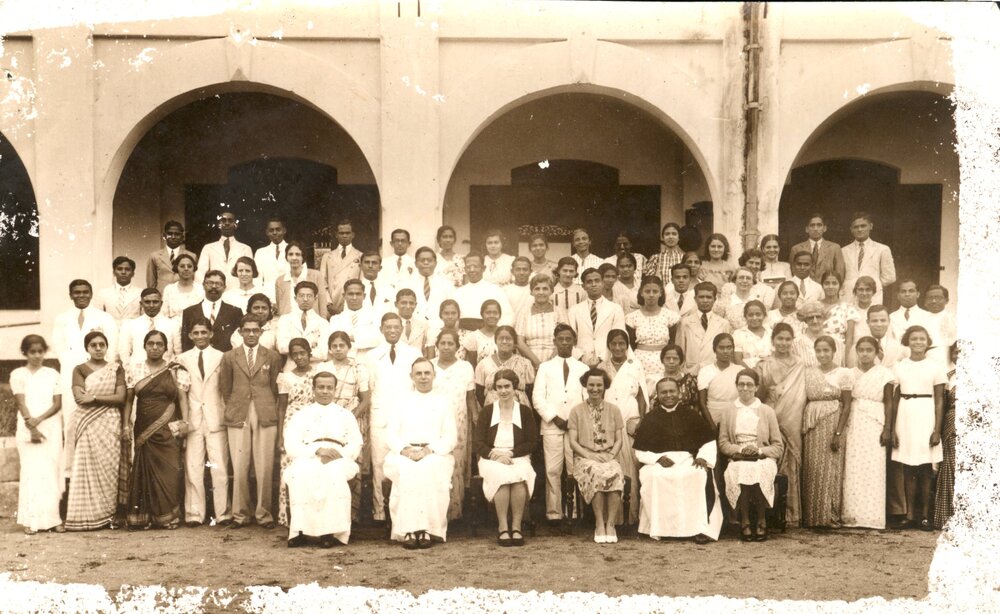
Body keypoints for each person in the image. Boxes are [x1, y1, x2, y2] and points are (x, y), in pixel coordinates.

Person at [634, 377, 722, 543]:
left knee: (698, 475)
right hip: (658, 462)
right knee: (653, 476)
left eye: (672, 391)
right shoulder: (650, 418)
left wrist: (703, 457)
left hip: (688, 459)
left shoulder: (692, 415)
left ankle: (699, 528)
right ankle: (660, 528)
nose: (668, 395)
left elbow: (708, 442)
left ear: (679, 393)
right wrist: (658, 458)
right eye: (664, 392)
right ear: (657, 395)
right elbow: (639, 451)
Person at [283, 371, 363, 548]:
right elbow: (290, 443)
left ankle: (329, 532)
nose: (325, 391)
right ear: (313, 389)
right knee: (300, 473)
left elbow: (356, 443)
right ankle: (299, 531)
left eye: (329, 388)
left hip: (338, 457)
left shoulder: (345, 414)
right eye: (321, 387)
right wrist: (317, 450)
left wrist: (337, 454)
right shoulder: (302, 414)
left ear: (335, 390)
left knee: (331, 474)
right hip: (310, 454)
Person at [384, 358, 457, 548]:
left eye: (427, 373)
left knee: (427, 469)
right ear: (411, 377)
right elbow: (391, 434)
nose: (423, 377)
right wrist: (406, 450)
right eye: (418, 373)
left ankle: (428, 530)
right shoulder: (401, 402)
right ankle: (408, 530)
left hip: (434, 453)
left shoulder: (444, 402)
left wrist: (429, 450)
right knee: (409, 471)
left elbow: (450, 437)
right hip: (404, 453)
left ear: (434, 375)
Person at [123, 330, 190, 529]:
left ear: (166, 348)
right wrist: (125, 424)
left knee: (169, 471)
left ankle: (167, 517)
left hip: (168, 427)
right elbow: (128, 401)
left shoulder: (175, 370)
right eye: (150, 343)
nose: (154, 347)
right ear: (144, 346)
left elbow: (182, 399)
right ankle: (144, 517)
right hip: (144, 426)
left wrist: (186, 422)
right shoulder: (134, 369)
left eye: (159, 344)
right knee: (144, 470)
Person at [219, 316, 282, 529]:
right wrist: (236, 405)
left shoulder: (272, 356)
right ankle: (240, 514)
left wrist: (265, 405)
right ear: (241, 332)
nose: (252, 334)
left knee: (264, 465)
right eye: (247, 330)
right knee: (240, 464)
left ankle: (264, 514)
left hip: (265, 410)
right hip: (238, 411)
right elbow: (225, 388)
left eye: (256, 330)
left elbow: (275, 387)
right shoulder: (229, 357)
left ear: (261, 332)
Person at [52, 280, 118, 479]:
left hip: (97, 373)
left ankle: (97, 470)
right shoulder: (62, 318)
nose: (81, 295)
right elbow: (59, 347)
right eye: (77, 292)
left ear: (91, 294)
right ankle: (70, 473)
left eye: (85, 292)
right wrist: (74, 368)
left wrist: (96, 372)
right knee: (71, 421)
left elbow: (111, 348)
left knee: (97, 420)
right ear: (71, 295)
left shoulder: (104, 318)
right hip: (70, 374)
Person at [65, 331, 126, 531]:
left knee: (109, 468)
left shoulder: (116, 369)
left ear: (107, 347)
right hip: (87, 424)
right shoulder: (79, 369)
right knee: (87, 468)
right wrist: (97, 398)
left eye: (102, 345)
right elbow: (79, 397)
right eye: (94, 345)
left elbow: (120, 398)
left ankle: (108, 515)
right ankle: (86, 517)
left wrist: (95, 398)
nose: (98, 349)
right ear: (87, 348)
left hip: (110, 423)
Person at [365, 313, 423, 521]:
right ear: (381, 329)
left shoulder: (413, 353)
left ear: (402, 329)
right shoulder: (371, 356)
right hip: (380, 414)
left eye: (396, 327)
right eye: (388, 327)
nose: (392, 330)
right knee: (379, 463)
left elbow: (416, 384)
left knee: (403, 462)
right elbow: (370, 387)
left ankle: (402, 512)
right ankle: (380, 512)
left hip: (405, 416)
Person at [889, 326, 946, 531]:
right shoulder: (899, 366)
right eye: (914, 339)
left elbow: (939, 400)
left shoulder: (935, 367)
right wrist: (892, 429)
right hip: (905, 416)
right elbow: (895, 398)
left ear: (927, 342)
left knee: (925, 468)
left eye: (922, 339)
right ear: (908, 341)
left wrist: (937, 429)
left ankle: (924, 515)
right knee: (907, 467)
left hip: (926, 414)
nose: (918, 342)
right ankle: (910, 514)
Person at [175, 319, 231, 527]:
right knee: (193, 466)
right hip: (194, 418)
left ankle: (223, 513)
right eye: (195, 333)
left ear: (211, 334)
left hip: (216, 417)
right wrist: (185, 420)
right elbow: (182, 392)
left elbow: (225, 389)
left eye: (203, 332)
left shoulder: (222, 357)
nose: (200, 336)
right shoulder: (182, 359)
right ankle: (194, 513)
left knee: (220, 466)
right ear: (190, 335)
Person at [473, 369, 538, 547]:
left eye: (507, 386)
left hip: (517, 456)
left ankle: (516, 528)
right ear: (495, 389)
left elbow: (532, 442)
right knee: (501, 476)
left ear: (514, 387)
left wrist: (511, 453)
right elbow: (478, 442)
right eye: (499, 387)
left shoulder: (524, 412)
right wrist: (495, 454)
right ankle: (503, 527)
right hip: (491, 458)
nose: (503, 391)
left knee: (518, 477)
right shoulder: (487, 412)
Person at [718, 369, 783, 541]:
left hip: (762, 456)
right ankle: (745, 521)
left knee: (760, 470)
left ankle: (761, 520)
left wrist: (759, 451)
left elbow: (778, 446)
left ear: (756, 387)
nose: (745, 388)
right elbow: (723, 443)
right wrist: (740, 450)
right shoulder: (729, 411)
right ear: (736, 386)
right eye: (741, 384)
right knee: (740, 469)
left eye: (749, 384)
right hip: (739, 456)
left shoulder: (767, 411)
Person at [533, 324, 589, 521]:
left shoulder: (583, 368)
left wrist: (574, 421)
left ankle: (574, 512)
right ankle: (554, 513)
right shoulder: (545, 368)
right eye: (561, 339)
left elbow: (586, 398)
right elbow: (538, 397)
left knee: (574, 469)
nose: (565, 343)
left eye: (568, 339)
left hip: (575, 427)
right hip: (552, 426)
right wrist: (554, 417)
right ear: (554, 341)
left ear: (574, 342)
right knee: (552, 470)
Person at [754, 323, 807, 525]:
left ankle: (791, 515)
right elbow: (758, 395)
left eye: (787, 339)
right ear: (773, 340)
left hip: (793, 418)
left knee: (791, 463)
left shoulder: (800, 364)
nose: (784, 343)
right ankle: (769, 514)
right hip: (770, 416)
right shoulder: (763, 364)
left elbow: (801, 394)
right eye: (780, 339)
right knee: (770, 460)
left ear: (792, 341)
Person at [11, 335, 63, 534]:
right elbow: (20, 402)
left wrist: (39, 420)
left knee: (50, 472)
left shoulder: (52, 373)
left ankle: (53, 519)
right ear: (25, 353)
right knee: (32, 472)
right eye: (32, 352)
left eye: (40, 351)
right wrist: (31, 425)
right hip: (27, 426)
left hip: (50, 425)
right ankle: (30, 521)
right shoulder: (18, 374)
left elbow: (57, 404)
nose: (37, 355)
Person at [841, 336, 895, 530]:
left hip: (875, 420)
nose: (864, 353)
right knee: (853, 466)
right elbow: (846, 403)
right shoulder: (849, 374)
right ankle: (852, 515)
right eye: (861, 350)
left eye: (869, 350)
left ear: (876, 352)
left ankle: (872, 516)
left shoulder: (884, 374)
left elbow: (889, 402)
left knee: (873, 467)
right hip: (855, 421)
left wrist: (887, 428)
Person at [318, 331, 372, 522]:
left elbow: (365, 400)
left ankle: (352, 516)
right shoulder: (323, 367)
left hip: (352, 417)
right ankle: (328, 514)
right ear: (330, 348)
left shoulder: (358, 368)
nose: (338, 349)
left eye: (342, 345)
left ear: (349, 347)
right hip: (328, 418)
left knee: (351, 462)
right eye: (334, 346)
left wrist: (350, 416)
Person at [801, 335, 853, 528]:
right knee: (813, 468)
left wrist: (838, 433)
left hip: (833, 421)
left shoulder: (843, 373)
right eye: (818, 351)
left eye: (826, 350)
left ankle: (830, 516)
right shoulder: (808, 372)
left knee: (831, 468)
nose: (822, 354)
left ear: (834, 352)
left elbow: (847, 405)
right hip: (813, 423)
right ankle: (813, 517)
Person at [568, 368, 626, 544]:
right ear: (585, 386)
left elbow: (618, 440)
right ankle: (599, 523)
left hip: (608, 456)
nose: (595, 389)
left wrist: (611, 455)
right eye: (591, 385)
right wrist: (590, 456)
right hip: (584, 458)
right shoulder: (576, 411)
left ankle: (611, 524)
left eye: (599, 385)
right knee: (595, 472)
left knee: (615, 472)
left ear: (605, 386)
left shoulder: (614, 410)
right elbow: (573, 442)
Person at [598, 329, 646, 523]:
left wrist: (641, 420)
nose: (617, 348)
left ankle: (631, 517)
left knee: (631, 467)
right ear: (608, 346)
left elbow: (642, 395)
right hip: (608, 421)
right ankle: (612, 518)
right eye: (613, 344)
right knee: (610, 466)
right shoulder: (602, 367)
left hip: (630, 420)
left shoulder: (635, 366)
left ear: (627, 346)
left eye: (621, 344)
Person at [431, 330, 477, 520]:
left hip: (459, 421)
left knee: (456, 464)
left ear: (458, 347)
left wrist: (475, 416)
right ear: (437, 345)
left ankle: (454, 514)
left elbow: (470, 397)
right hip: (434, 422)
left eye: (451, 343)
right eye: (443, 343)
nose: (447, 347)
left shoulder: (465, 367)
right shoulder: (430, 365)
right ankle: (436, 514)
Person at [275, 338, 318, 527]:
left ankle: (313, 516)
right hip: (292, 423)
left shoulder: (318, 375)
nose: (299, 357)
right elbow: (282, 406)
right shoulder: (285, 377)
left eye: (303, 353)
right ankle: (289, 516)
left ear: (309, 353)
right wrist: (280, 436)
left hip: (314, 422)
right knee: (289, 469)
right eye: (295, 354)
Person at [625, 276, 680, 389]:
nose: (651, 295)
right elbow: (631, 344)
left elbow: (672, 342)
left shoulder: (670, 316)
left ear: (660, 293)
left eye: (655, 291)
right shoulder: (632, 317)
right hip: (640, 361)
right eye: (647, 291)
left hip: (663, 361)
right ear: (641, 293)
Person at [567, 267, 627, 366]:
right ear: (583, 286)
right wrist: (581, 358)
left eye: (597, 281)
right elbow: (570, 339)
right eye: (589, 282)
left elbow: (619, 337)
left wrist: (601, 359)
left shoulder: (615, 309)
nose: (594, 284)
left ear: (603, 283)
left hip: (608, 359)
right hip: (581, 361)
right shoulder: (574, 310)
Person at [179, 271, 243, 353]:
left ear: (224, 287)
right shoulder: (189, 312)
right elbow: (186, 344)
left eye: (218, 284)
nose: (214, 286)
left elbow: (239, 342)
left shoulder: (235, 312)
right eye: (210, 283)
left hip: (226, 361)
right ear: (203, 285)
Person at [676, 282, 733, 373]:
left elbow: (727, 351)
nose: (705, 300)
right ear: (695, 299)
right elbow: (680, 351)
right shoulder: (685, 322)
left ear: (715, 299)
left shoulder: (723, 323)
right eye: (701, 297)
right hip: (691, 371)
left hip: (715, 371)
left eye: (709, 297)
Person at [841, 211, 896, 304]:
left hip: (872, 295)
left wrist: (872, 285)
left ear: (870, 226)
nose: (859, 229)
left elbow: (890, 276)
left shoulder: (882, 249)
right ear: (851, 229)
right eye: (856, 227)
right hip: (848, 296)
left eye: (863, 226)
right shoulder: (843, 250)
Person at [515, 274, 569, 368]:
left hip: (556, 360)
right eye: (537, 289)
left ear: (551, 291)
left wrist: (550, 362)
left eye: (545, 288)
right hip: (529, 362)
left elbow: (565, 339)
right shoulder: (524, 312)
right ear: (531, 292)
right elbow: (520, 342)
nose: (541, 292)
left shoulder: (559, 311)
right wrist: (536, 363)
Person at [474, 325, 534, 407]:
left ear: (514, 342)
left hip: (519, 412)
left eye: (508, 339)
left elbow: (530, 392)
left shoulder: (525, 364)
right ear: (495, 341)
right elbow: (479, 393)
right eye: (501, 338)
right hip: (492, 412)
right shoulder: (484, 364)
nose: (504, 341)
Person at [933, 342, 958, 530]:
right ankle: (948, 516)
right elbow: (942, 403)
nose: (960, 356)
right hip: (952, 424)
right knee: (950, 467)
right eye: (956, 352)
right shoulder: (949, 377)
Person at [453, 252, 514, 329]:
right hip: (463, 335)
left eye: (475, 266)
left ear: (483, 268)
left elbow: (508, 316)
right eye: (468, 267)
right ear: (465, 269)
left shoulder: (495, 290)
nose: (472, 270)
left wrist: (495, 333)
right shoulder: (458, 293)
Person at [276, 281, 328, 369]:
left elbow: (323, 353)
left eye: (309, 296)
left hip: (315, 369)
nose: (305, 299)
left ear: (315, 298)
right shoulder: (285, 320)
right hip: (291, 368)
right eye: (301, 295)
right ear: (295, 298)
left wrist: (295, 351)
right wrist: (310, 349)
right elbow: (282, 347)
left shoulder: (323, 323)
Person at [119, 288, 178, 365]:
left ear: (161, 303)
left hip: (165, 371)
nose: (151, 305)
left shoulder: (173, 325)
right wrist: (130, 370)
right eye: (147, 302)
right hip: (138, 372)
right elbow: (124, 352)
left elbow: (178, 353)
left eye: (155, 302)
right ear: (141, 304)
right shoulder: (130, 325)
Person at [195, 211, 252, 289]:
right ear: (219, 224)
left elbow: (250, 274)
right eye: (223, 220)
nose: (227, 223)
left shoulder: (245, 248)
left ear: (236, 225)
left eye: (230, 221)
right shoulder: (208, 248)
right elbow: (200, 274)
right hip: (215, 290)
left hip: (237, 291)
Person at [326, 280, 381, 360]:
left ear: (364, 296)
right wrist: (364, 339)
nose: (354, 298)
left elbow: (378, 340)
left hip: (368, 362)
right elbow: (333, 343)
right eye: (350, 294)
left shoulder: (375, 317)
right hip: (343, 362)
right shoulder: (335, 319)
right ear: (344, 295)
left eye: (358, 294)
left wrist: (353, 338)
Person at [697, 333, 741, 431]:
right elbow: (702, 402)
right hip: (712, 415)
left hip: (736, 414)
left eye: (729, 347)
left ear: (733, 349)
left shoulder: (740, 370)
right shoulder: (705, 371)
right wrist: (712, 425)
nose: (725, 351)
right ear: (714, 350)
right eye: (721, 348)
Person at [319, 219, 363, 316]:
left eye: (347, 233)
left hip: (351, 306)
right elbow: (322, 284)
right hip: (331, 307)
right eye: (341, 233)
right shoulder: (327, 257)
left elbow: (361, 283)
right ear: (336, 235)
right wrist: (329, 304)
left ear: (353, 235)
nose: (344, 236)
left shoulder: (359, 256)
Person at [274, 241, 328, 317]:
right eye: (290, 254)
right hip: (288, 324)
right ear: (286, 257)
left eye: (298, 254)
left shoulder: (316, 276)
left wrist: (323, 323)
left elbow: (322, 305)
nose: (294, 258)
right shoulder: (280, 281)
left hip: (312, 323)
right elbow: (280, 307)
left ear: (303, 257)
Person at [791, 214, 845, 284]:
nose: (815, 228)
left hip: (827, 290)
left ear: (824, 228)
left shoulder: (834, 248)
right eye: (812, 225)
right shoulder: (796, 249)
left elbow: (839, 274)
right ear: (807, 229)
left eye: (819, 225)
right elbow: (794, 273)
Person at [146, 220, 195, 293]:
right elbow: (151, 283)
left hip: (184, 296)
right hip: (162, 296)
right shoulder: (154, 256)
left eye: (177, 234)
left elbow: (194, 280)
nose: (173, 237)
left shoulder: (191, 256)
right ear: (164, 236)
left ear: (182, 236)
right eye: (170, 233)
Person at [409, 246, 455, 324]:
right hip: (414, 327)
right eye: (422, 260)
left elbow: (453, 309)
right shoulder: (407, 283)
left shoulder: (447, 284)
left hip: (439, 327)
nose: (426, 263)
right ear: (416, 264)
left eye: (429, 260)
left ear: (436, 263)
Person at [820, 271, 860, 354]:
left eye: (834, 283)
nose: (830, 286)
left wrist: (846, 359)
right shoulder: (814, 306)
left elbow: (849, 339)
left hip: (839, 351)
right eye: (827, 283)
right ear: (822, 286)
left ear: (840, 286)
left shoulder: (848, 308)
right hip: (818, 350)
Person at [93, 256, 142, 323]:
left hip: (133, 332)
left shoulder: (140, 293)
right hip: (109, 331)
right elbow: (97, 317)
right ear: (114, 272)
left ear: (133, 273)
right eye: (119, 269)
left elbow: (144, 318)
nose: (123, 272)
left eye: (127, 269)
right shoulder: (103, 293)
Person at [796, 301, 843, 368]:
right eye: (810, 318)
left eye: (818, 317)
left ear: (824, 318)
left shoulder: (837, 342)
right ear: (805, 320)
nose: (815, 321)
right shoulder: (796, 344)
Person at [922, 285, 956, 368]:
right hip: (925, 359)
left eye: (938, 298)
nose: (933, 301)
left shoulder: (953, 319)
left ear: (946, 300)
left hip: (946, 359)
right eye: (930, 298)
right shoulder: (920, 319)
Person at [162, 253, 204, 319]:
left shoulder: (201, 289)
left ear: (194, 269)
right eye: (182, 266)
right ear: (176, 268)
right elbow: (164, 314)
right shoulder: (169, 289)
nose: (186, 269)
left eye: (189, 266)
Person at [253, 216, 290, 290]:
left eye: (278, 229)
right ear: (267, 232)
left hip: (289, 293)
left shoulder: (294, 250)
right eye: (271, 230)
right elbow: (257, 279)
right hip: (268, 296)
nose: (275, 233)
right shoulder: (260, 253)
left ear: (284, 230)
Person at [733, 300, 772, 369]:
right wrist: (752, 375)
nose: (754, 318)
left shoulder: (771, 333)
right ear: (745, 316)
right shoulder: (738, 334)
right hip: (747, 375)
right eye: (750, 315)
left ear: (764, 315)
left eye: (758, 314)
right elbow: (737, 360)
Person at [463, 299, 502, 366]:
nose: (492, 315)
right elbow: (473, 365)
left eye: (495, 313)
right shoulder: (474, 337)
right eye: (488, 313)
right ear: (482, 315)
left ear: (500, 315)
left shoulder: (504, 335)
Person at [382, 228, 417, 295]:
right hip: (388, 300)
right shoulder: (383, 263)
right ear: (391, 243)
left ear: (409, 243)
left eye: (403, 241)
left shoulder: (415, 263)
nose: (400, 244)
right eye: (396, 241)